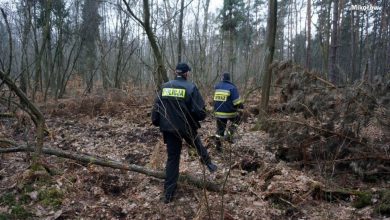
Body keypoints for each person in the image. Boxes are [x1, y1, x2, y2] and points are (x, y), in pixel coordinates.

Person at [151, 62, 218, 204]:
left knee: (173, 159)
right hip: (186, 127)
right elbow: (200, 112)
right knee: (197, 145)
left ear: (176, 72)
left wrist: (158, 122)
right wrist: (201, 116)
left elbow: (156, 109)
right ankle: (210, 165)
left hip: (169, 129)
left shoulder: (164, 87)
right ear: (186, 73)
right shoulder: (191, 87)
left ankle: (168, 194)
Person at [213, 72, 244, 152]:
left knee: (220, 130)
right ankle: (229, 135)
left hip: (218, 113)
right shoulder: (232, 87)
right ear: (229, 79)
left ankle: (218, 148)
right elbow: (236, 102)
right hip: (230, 113)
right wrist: (242, 106)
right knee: (238, 119)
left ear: (222, 78)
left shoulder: (217, 86)